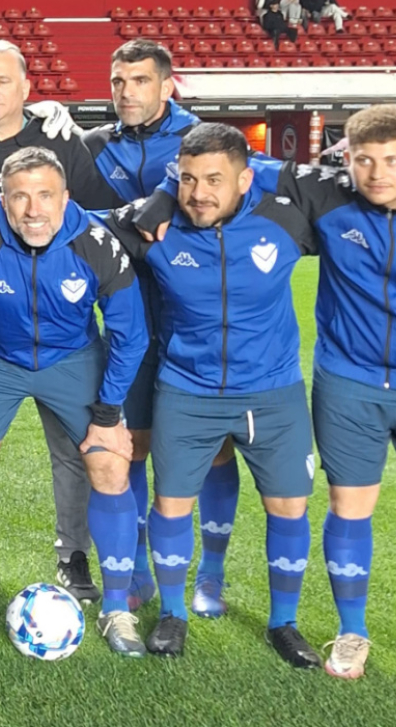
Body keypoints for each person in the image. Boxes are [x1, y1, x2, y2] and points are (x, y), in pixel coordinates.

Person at [169, 105, 396, 678]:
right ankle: (352, 631)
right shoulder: (326, 193)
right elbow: (228, 162)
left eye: (391, 161)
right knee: (349, 506)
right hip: (350, 381)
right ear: (346, 159)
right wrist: (158, 200)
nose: (377, 174)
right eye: (364, 160)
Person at [105, 124, 322, 667]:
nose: (198, 193)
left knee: (289, 508)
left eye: (214, 180)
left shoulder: (286, 221)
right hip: (187, 391)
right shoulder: (154, 227)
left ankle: (284, 622)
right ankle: (172, 613)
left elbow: (344, 203)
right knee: (171, 504)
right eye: (187, 179)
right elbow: (74, 225)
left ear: (245, 180)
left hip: (273, 394)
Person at [0, 39, 122, 606]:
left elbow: (99, 215)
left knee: (78, 452)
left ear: (27, 88)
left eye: (3, 81)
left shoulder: (58, 138)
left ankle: (73, 555)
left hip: (68, 332)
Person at [0, 148, 149, 658]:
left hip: (72, 356)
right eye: (20, 197)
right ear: (1, 201)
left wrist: (108, 413)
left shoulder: (96, 243)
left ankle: (116, 607)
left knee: (109, 462)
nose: (33, 210)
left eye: (45, 195)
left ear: (66, 198)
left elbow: (130, 334)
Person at [83, 39, 249, 616]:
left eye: (140, 80)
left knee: (214, 448)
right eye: (118, 81)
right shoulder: (94, 146)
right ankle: (136, 570)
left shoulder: (201, 137)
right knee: (131, 445)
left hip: (197, 317)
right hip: (128, 316)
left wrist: (165, 190)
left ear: (166, 84)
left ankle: (212, 574)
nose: (126, 92)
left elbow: (247, 181)